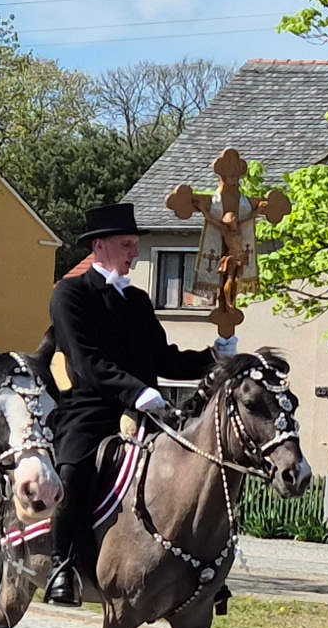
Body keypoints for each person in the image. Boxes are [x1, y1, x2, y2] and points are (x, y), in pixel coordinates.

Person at [45, 202, 234, 606]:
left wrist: (216, 358)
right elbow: (86, 361)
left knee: (197, 469)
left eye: (135, 244)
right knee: (73, 472)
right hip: (90, 409)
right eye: (126, 244)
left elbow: (164, 359)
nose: (134, 252)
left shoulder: (137, 300)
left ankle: (203, 565)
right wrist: (135, 392)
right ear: (99, 246)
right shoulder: (70, 294)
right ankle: (63, 564)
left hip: (147, 412)